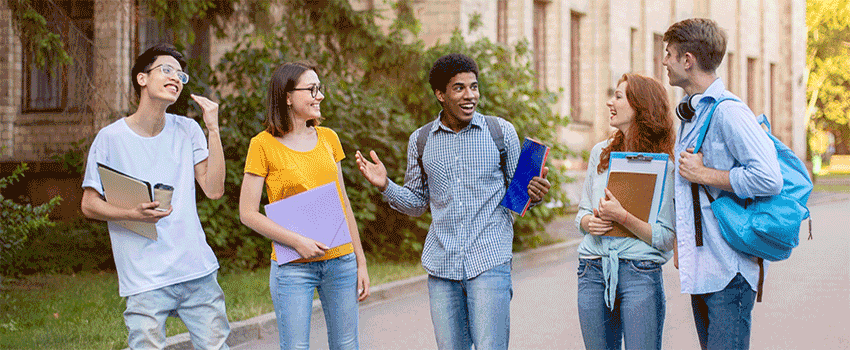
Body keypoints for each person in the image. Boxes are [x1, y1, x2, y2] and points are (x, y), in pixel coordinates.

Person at [355, 53, 551, 350]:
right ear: (440, 94)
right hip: (442, 266)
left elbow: (519, 196)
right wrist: (386, 185)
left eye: (474, 87)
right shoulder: (420, 141)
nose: (470, 95)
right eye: (459, 88)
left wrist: (534, 193)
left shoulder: (501, 132)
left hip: (489, 260)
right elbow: (418, 202)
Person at [80, 44, 230, 349]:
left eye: (181, 75)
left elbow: (214, 190)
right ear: (142, 78)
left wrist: (213, 129)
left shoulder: (188, 130)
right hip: (144, 277)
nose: (176, 77)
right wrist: (132, 214)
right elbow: (89, 204)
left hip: (195, 270)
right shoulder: (110, 139)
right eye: (166, 69)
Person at [662, 18, 782, 349]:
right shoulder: (695, 113)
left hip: (730, 271)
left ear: (688, 60)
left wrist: (706, 174)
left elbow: (769, 177)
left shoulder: (729, 112)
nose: (664, 62)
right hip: (705, 269)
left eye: (668, 53)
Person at [238, 62, 370, 350]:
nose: (319, 95)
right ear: (287, 96)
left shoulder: (328, 139)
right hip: (293, 268)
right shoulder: (262, 145)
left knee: (347, 345)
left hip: (340, 262)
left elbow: (343, 202)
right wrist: (297, 242)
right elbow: (247, 213)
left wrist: (360, 261)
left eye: (319, 89)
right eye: (312, 89)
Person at [574, 73, 677, 350]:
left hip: (640, 273)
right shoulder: (600, 152)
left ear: (640, 106)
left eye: (619, 96)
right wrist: (588, 222)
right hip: (593, 269)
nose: (611, 102)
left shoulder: (665, 165)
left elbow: (667, 238)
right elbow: (581, 213)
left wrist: (623, 217)